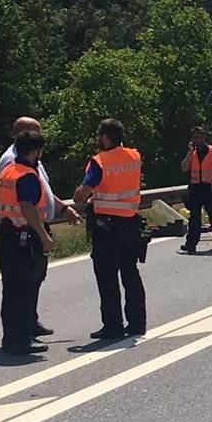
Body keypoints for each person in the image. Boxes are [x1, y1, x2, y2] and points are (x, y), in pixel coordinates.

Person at [0, 116, 78, 337]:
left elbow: (42, 192)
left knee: (30, 281)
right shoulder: (13, 161)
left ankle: (27, 325)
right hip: (23, 231)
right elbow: (25, 203)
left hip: (24, 229)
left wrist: (63, 208)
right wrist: (42, 234)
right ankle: (20, 334)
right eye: (37, 133)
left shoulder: (30, 161)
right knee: (20, 285)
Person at [74, 118, 147, 339]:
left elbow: (81, 195)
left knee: (107, 277)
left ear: (105, 137)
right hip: (131, 223)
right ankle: (137, 323)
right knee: (130, 273)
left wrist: (82, 195)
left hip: (107, 227)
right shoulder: (135, 156)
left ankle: (113, 325)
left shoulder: (100, 161)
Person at [0, 131, 54, 355]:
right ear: (35, 151)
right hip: (23, 237)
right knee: (24, 290)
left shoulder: (8, 171)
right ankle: (21, 340)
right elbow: (27, 207)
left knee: (10, 290)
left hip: (7, 234)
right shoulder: (27, 175)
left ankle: (10, 338)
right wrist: (44, 236)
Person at [179, 126, 212, 253]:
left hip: (210, 187)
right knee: (194, 218)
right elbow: (184, 168)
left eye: (198, 136)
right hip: (196, 188)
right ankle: (191, 244)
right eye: (194, 137)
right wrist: (189, 152)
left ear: (204, 137)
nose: (196, 139)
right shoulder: (192, 153)